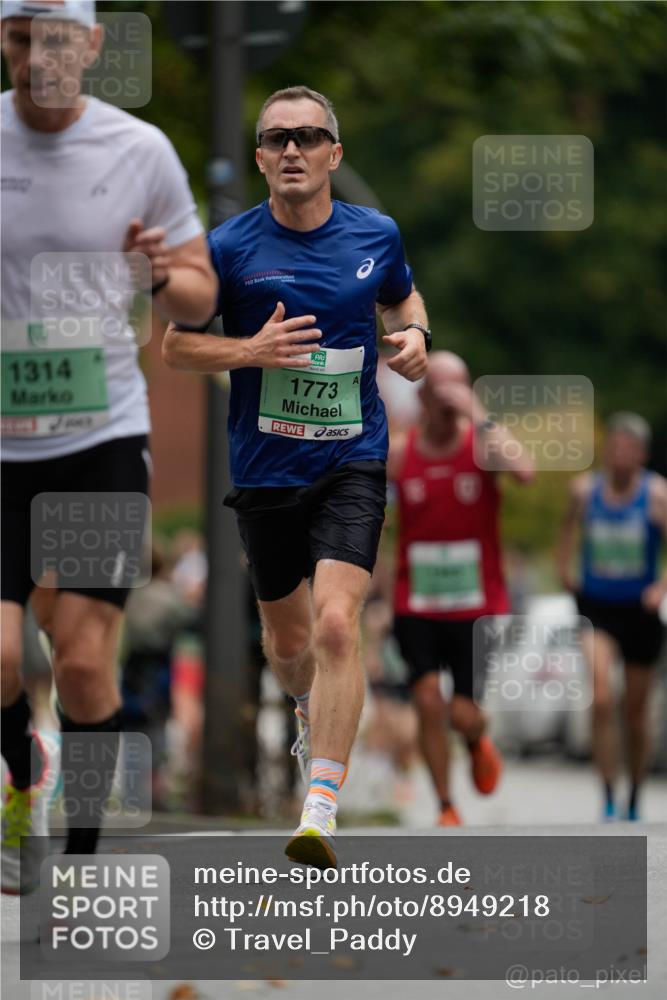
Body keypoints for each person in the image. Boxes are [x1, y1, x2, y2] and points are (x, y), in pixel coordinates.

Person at [163, 85, 429, 867]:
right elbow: (178, 345)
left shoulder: (374, 234)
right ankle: (312, 711)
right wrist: (247, 352)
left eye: (308, 137)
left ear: (332, 155)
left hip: (351, 459)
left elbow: (403, 298)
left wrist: (411, 336)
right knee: (287, 643)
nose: (291, 150)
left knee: (338, 624)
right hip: (265, 469)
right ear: (257, 158)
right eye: (276, 138)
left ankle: (320, 806)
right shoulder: (228, 247)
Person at [1, 0, 217, 893]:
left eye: (58, 38)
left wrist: (165, 271)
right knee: (5, 660)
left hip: (100, 437)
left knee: (84, 662)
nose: (39, 56)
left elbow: (201, 299)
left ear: (92, 45)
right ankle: (25, 782)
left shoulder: (141, 150)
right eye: (21, 37)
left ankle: (80, 867)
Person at [389, 352, 535, 825]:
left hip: (478, 606)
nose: (451, 399)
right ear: (423, 394)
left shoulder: (482, 445)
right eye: (443, 389)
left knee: (462, 713)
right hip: (417, 602)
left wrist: (478, 413)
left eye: (461, 388)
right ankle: (446, 804)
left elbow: (526, 471)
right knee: (428, 700)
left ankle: (477, 736)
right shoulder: (398, 453)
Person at [557, 412, 667, 821]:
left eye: (629, 449)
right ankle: (606, 792)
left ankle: (634, 791)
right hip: (597, 608)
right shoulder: (585, 491)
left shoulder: (657, 495)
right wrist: (565, 569)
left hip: (640, 610)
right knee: (602, 697)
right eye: (614, 447)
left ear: (642, 454)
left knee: (635, 714)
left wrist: (660, 588)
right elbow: (567, 529)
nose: (620, 455)